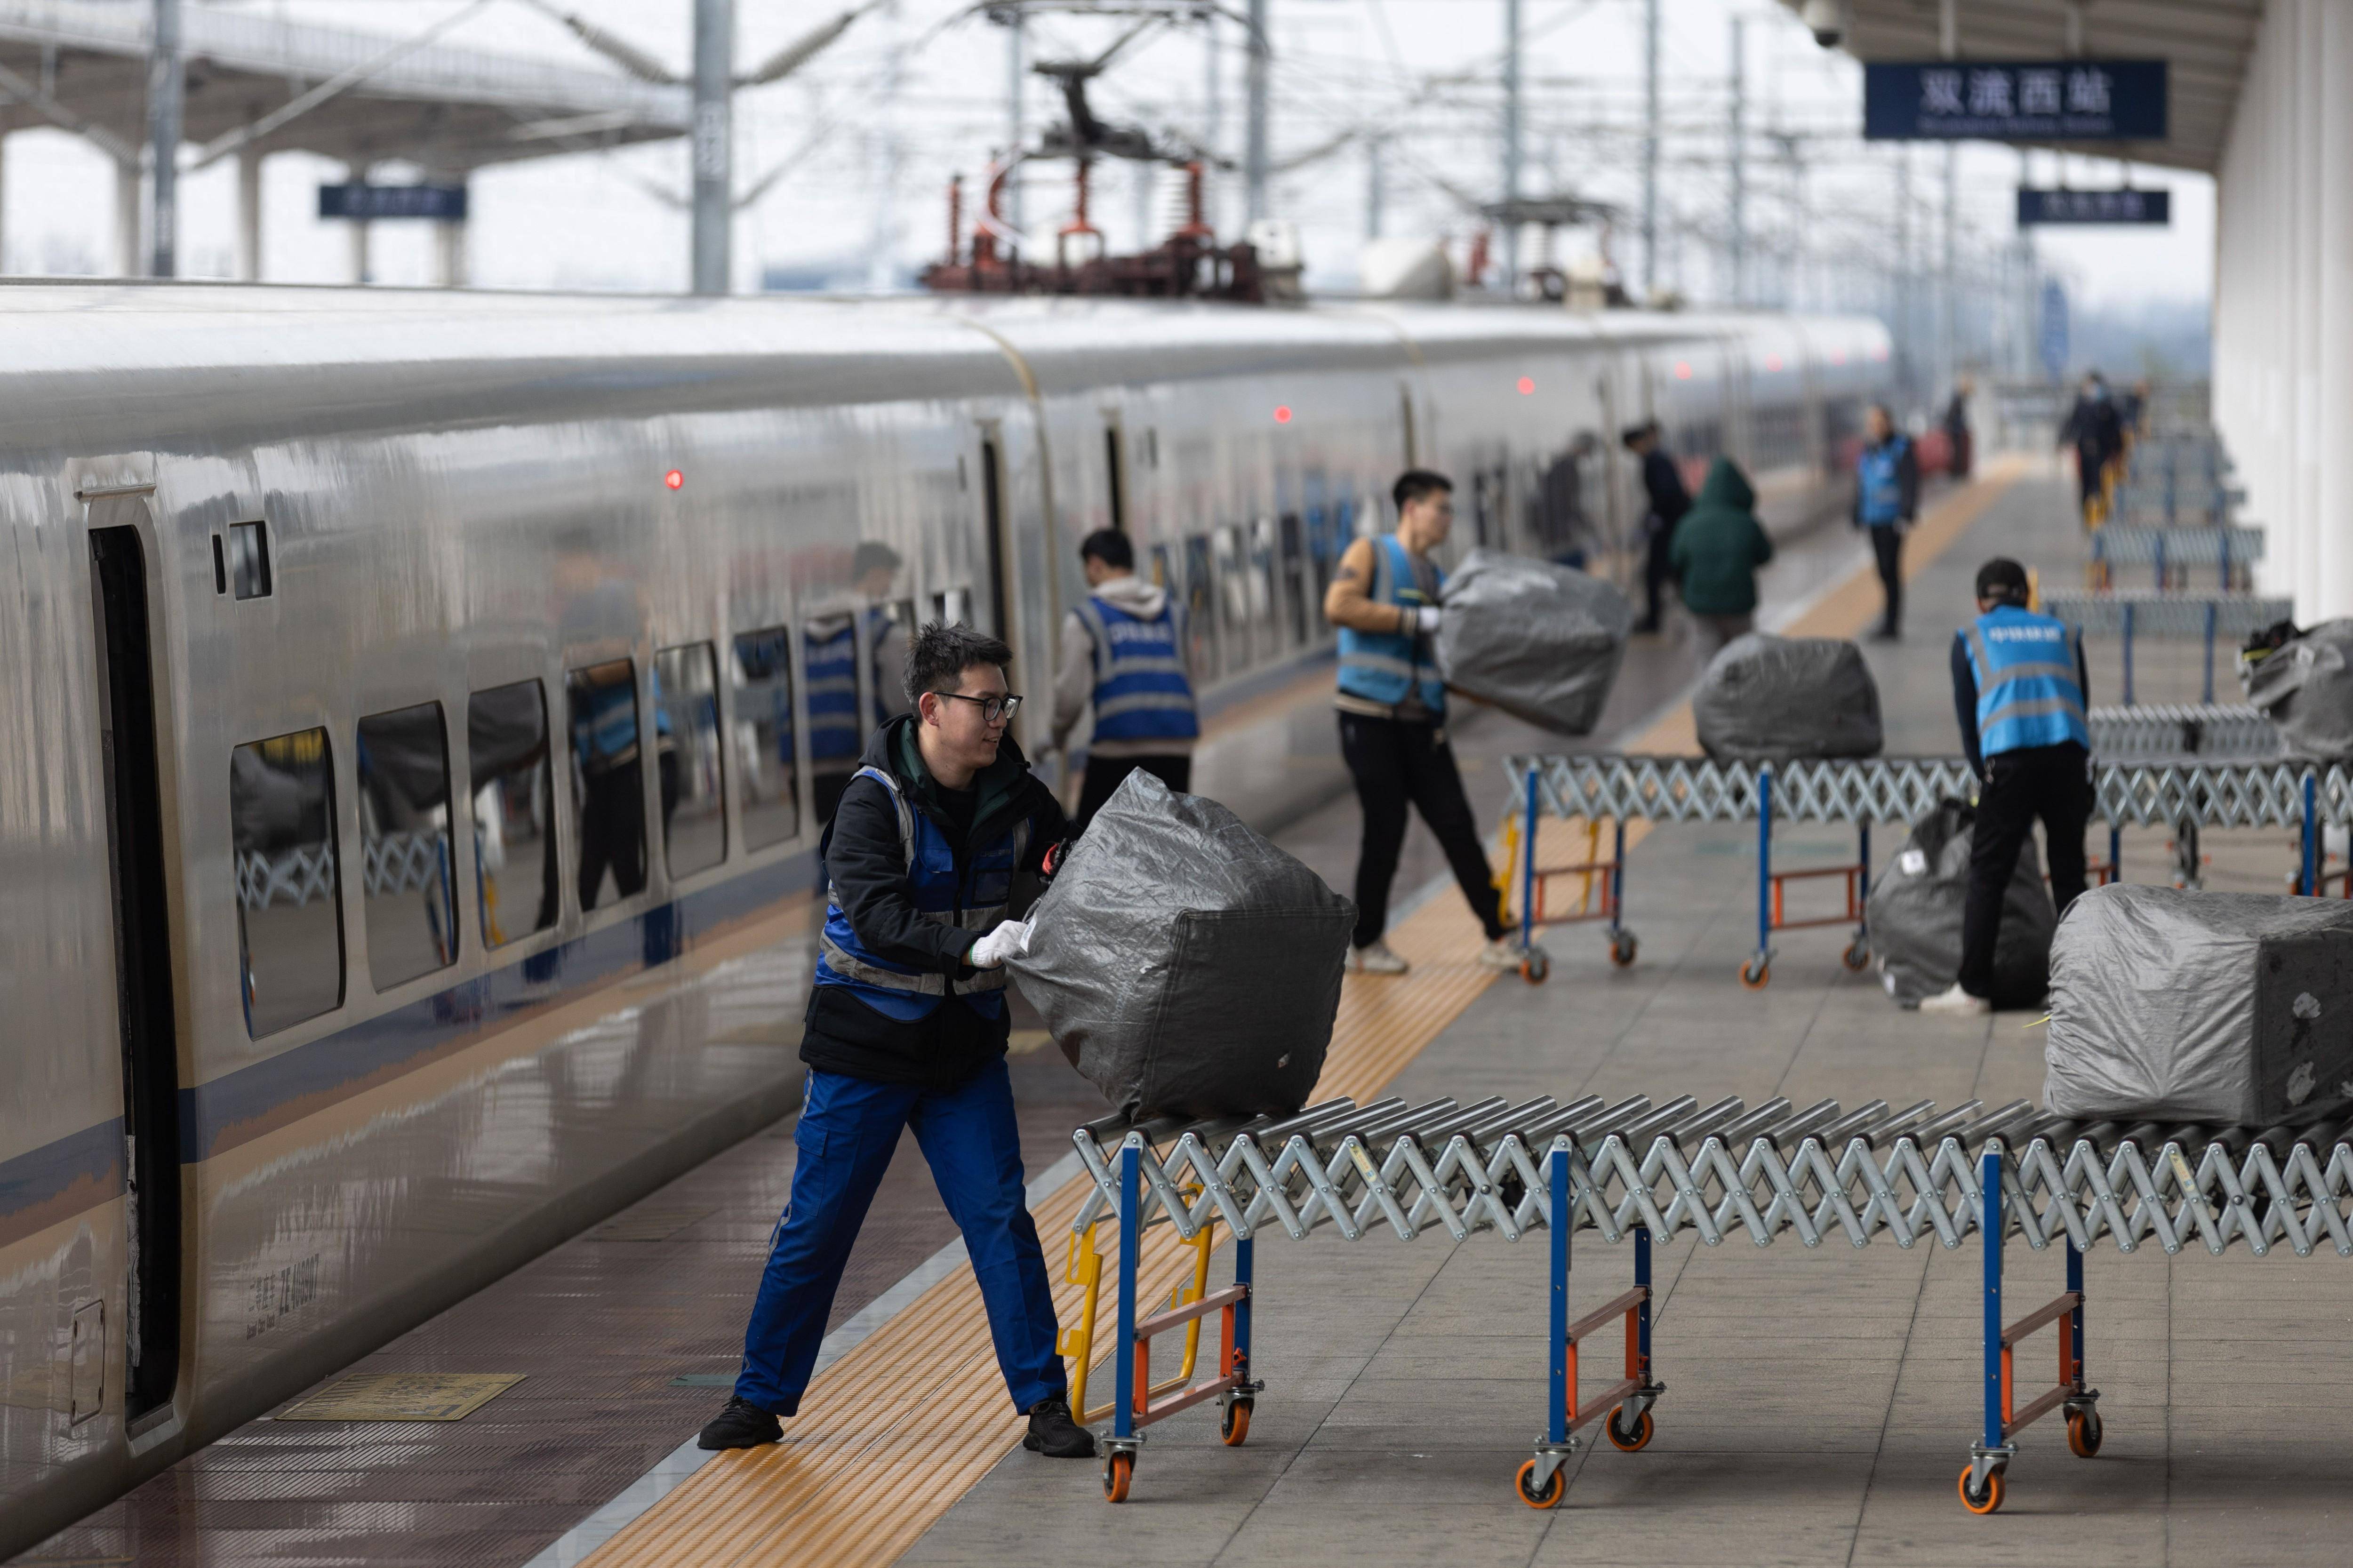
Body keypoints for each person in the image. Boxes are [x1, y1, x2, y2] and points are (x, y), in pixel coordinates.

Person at [697, 622, 1095, 1459]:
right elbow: (876, 917)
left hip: (961, 1053)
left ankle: (1044, 1403)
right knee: (818, 1223)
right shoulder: (870, 802)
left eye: (1005, 704)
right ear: (932, 707)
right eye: (985, 704)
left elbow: (1063, 856)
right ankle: (760, 1397)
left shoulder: (1016, 793)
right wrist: (973, 945)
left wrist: (1067, 867)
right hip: (865, 1049)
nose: (999, 719)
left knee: (999, 1219)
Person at [1325, 469, 1540, 976]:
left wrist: (1506, 690)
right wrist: (1413, 620)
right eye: (1442, 508)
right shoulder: (1369, 554)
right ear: (1411, 508)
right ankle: (1368, 940)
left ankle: (1498, 935)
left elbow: (1446, 657)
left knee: (1456, 824)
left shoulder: (1436, 578)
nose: (1448, 518)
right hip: (1368, 715)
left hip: (1424, 722)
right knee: (1386, 825)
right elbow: (1339, 605)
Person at [1920, 559, 2092, 1016]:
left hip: (2010, 762)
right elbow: (2082, 701)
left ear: (1981, 601)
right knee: (2069, 874)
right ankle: (2081, 989)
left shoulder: (1972, 637)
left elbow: (1968, 721)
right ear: (2024, 595)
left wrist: (1986, 775)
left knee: (1987, 873)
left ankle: (1973, 987)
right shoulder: (2063, 632)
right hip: (2067, 758)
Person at [1050, 528, 1199, 828]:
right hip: (1176, 746)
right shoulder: (1174, 612)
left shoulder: (1086, 618)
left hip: (1116, 750)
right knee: (1171, 841)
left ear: (1095, 565)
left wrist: (1057, 735)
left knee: (1090, 843)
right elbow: (1191, 675)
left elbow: (1070, 694)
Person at [807, 543, 912, 823]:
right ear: (876, 575)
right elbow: (903, 703)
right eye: (889, 578)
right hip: (863, 762)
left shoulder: (807, 629)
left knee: (826, 845)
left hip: (808, 765)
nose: (889, 588)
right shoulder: (883, 631)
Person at [1668, 456, 1773, 663]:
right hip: (1739, 605)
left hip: (1700, 605)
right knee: (1744, 663)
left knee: (1708, 664)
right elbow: (1766, 556)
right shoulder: (1747, 523)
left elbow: (1675, 560)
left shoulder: (1688, 524)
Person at [1853, 405, 1918, 641]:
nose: (1875, 428)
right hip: (1873, 519)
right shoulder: (1868, 451)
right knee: (1881, 570)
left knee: (1891, 569)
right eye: (1872, 424)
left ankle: (1892, 624)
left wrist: (1907, 513)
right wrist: (1856, 513)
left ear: (1889, 423)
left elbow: (1910, 481)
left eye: (1879, 423)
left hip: (1893, 520)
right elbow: (1861, 484)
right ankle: (1887, 620)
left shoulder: (1901, 448)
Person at [1622, 421, 1691, 635]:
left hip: (1668, 525)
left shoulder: (1654, 461)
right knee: (1672, 572)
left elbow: (1666, 493)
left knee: (1655, 574)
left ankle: (1654, 621)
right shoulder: (1658, 457)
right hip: (1674, 523)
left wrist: (1654, 517)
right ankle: (1689, 613)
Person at [2058, 373, 2125, 527]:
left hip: (2103, 454)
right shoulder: (2081, 405)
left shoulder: (2109, 407)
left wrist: (2118, 453)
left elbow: (2117, 431)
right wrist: (2062, 441)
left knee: (2102, 487)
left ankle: (2102, 520)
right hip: (2084, 453)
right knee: (2085, 488)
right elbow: (2071, 424)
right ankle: (2087, 521)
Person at [1941, 375, 1975, 480]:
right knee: (1957, 452)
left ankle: (1957, 473)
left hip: (1954, 429)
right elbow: (1954, 416)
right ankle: (1956, 473)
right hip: (1954, 429)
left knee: (1957, 451)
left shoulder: (1958, 398)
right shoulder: (1958, 399)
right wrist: (1961, 426)